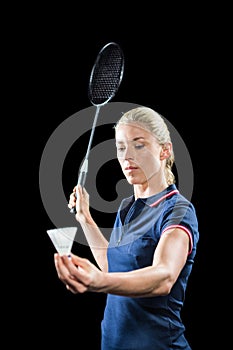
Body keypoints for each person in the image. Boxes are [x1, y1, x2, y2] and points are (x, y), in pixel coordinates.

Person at [54, 106, 199, 350]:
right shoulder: (127, 206)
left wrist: (98, 282)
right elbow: (115, 268)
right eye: (121, 147)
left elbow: (164, 276)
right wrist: (85, 219)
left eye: (139, 145)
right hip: (112, 344)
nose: (126, 156)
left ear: (165, 150)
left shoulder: (178, 210)